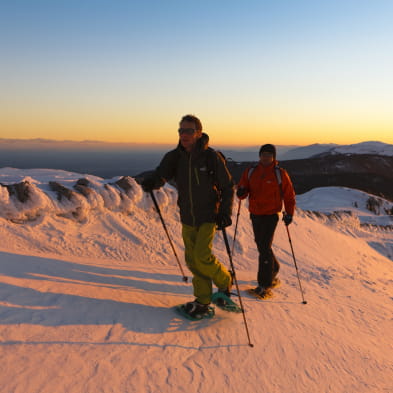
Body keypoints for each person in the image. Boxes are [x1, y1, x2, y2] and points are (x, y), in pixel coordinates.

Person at [141, 114, 234, 318]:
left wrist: (225, 213)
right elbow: (161, 175)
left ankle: (225, 281)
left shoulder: (211, 157)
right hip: (187, 217)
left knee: (202, 256)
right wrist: (151, 182)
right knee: (192, 260)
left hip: (209, 215)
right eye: (181, 130)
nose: (184, 134)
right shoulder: (174, 157)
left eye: (189, 130)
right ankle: (202, 301)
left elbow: (227, 186)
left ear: (198, 133)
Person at [237, 144, 295, 298]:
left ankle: (265, 284)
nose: (266, 157)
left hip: (271, 215)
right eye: (264, 154)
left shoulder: (279, 174)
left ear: (274, 157)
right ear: (260, 155)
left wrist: (289, 213)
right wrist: (241, 192)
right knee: (261, 244)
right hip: (255, 213)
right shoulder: (251, 171)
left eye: (269, 155)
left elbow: (289, 195)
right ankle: (274, 268)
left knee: (264, 248)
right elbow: (243, 189)